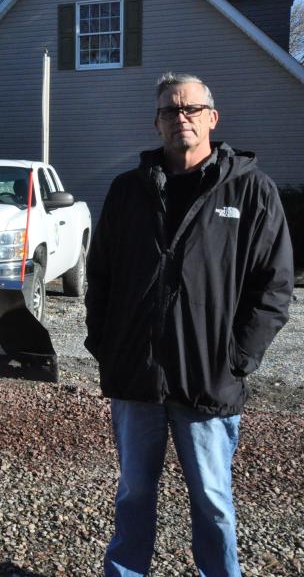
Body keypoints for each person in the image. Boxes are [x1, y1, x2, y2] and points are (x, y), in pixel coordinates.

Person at [84, 72, 294, 577]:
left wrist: (238, 359)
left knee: (214, 500)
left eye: (192, 109)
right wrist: (105, 345)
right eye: (171, 111)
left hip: (208, 378)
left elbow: (274, 286)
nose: (182, 118)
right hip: (137, 375)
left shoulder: (251, 192)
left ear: (212, 118)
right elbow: (102, 276)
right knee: (134, 491)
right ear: (156, 123)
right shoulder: (127, 190)